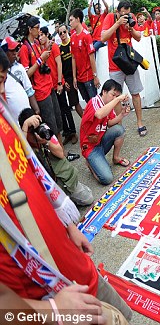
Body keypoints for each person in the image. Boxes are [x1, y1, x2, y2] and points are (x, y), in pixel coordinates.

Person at [0, 94, 132, 322]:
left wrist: (68, 226)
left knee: (121, 316)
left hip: (74, 263)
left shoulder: (3, 117)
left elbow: (32, 178)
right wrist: (52, 310)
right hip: (48, 301)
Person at [18, 108, 93, 206]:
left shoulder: (44, 130)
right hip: (46, 184)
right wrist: (25, 126)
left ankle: (73, 191)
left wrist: (46, 142)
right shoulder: (22, 138)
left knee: (88, 199)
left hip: (63, 178)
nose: (33, 134)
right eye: (30, 130)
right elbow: (20, 155)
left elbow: (60, 154)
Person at [101, 0, 147, 137]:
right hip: (115, 65)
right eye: (124, 13)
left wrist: (130, 28)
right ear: (117, 11)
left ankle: (139, 122)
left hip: (129, 63)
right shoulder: (110, 17)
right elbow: (103, 37)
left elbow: (138, 38)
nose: (127, 16)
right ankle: (119, 126)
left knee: (135, 93)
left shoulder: (131, 17)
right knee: (116, 97)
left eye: (128, 13)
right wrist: (117, 23)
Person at [18, 17, 64, 144]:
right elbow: (26, 74)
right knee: (51, 125)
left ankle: (63, 152)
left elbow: (42, 59)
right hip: (40, 92)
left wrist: (46, 49)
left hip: (49, 86)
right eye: (37, 28)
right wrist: (40, 60)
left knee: (58, 120)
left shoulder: (37, 43)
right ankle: (60, 155)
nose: (39, 31)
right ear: (29, 29)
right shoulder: (24, 49)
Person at [80, 79, 131, 185]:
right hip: (90, 148)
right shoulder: (94, 101)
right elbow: (99, 114)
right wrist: (117, 100)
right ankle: (91, 164)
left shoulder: (109, 106)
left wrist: (121, 114)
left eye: (116, 96)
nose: (114, 98)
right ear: (104, 92)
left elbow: (110, 123)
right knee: (107, 179)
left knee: (119, 129)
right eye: (113, 94)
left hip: (100, 142)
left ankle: (116, 158)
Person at [57, 25, 82, 145]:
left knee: (81, 101)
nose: (62, 35)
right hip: (65, 79)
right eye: (60, 33)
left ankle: (88, 124)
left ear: (67, 32)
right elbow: (59, 66)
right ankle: (70, 133)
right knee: (69, 105)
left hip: (77, 75)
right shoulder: (59, 48)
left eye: (64, 32)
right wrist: (63, 81)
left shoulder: (72, 43)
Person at [69, 8, 100, 103]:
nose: (70, 23)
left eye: (71, 20)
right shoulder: (73, 37)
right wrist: (74, 77)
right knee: (89, 104)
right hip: (79, 78)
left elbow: (92, 58)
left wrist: (95, 76)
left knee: (95, 104)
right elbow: (73, 58)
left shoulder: (86, 36)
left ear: (78, 19)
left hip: (89, 77)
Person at [1, 36, 39, 116]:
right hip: (14, 122)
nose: (15, 53)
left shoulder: (20, 67)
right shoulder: (1, 75)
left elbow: (29, 90)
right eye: (12, 50)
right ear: (4, 52)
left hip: (29, 116)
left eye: (16, 49)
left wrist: (36, 110)